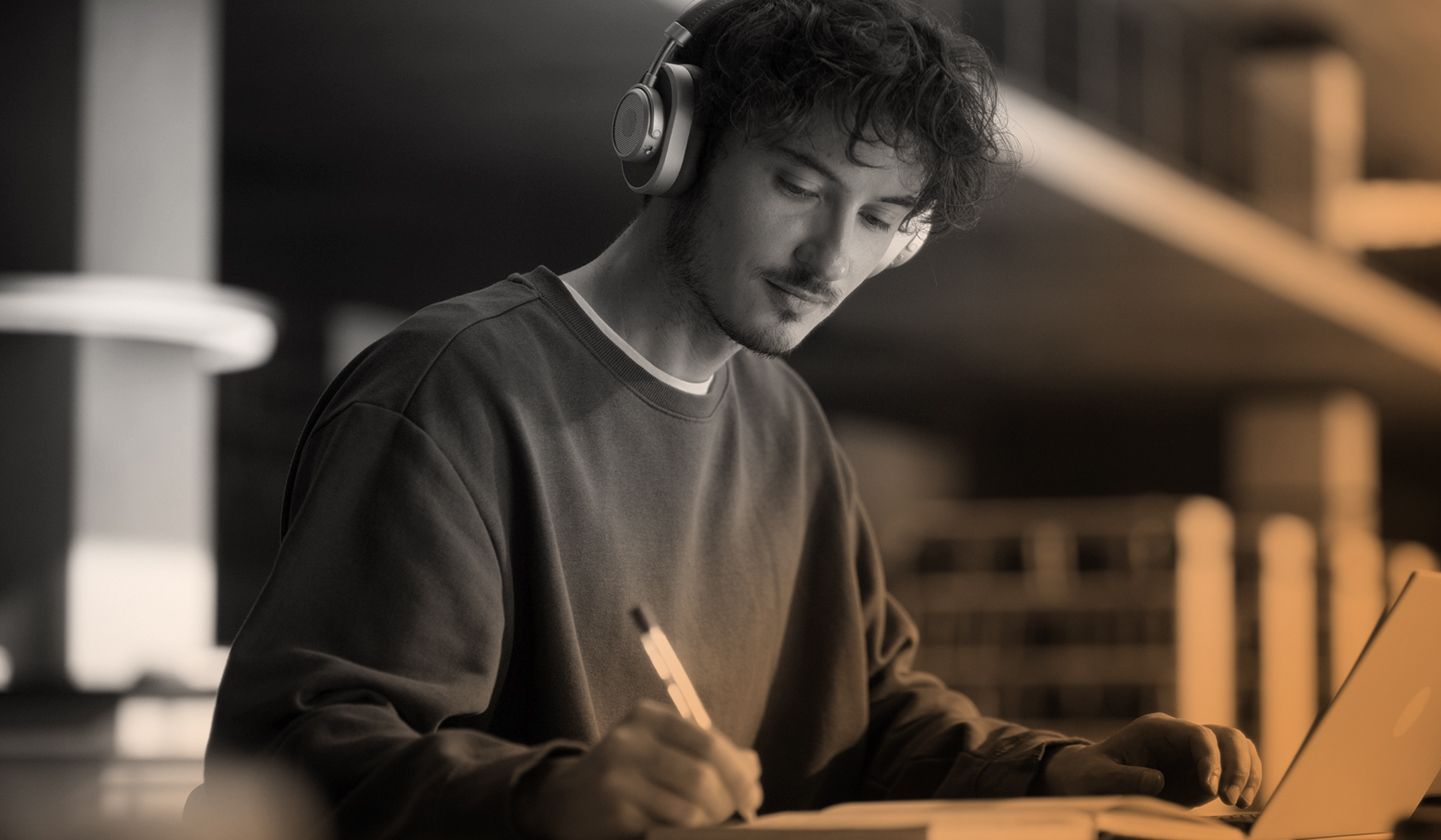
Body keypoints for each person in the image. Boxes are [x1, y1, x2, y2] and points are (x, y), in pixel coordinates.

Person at [194, 1, 1262, 838]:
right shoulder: (452, 391)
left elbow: (872, 713)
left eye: (882, 218)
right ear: (680, 144)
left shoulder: (787, 424)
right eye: (800, 184)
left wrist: (1056, 768)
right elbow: (288, 761)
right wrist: (548, 800)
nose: (830, 257)